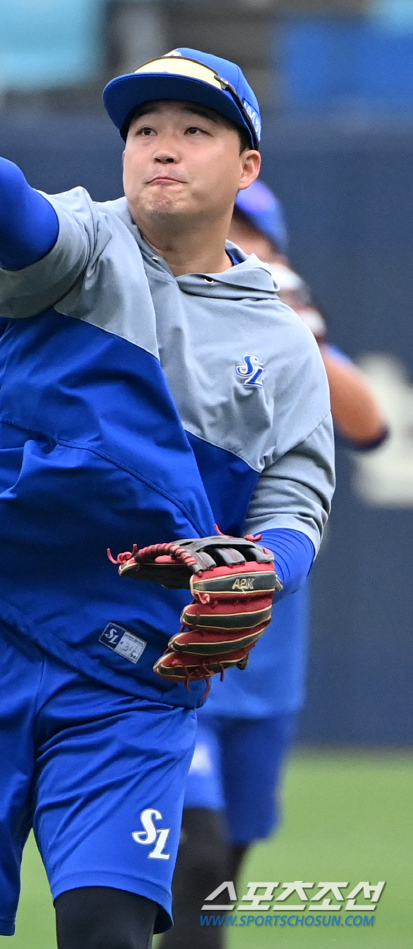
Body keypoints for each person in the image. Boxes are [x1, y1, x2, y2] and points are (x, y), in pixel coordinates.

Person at [0, 49, 335, 949]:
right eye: (145, 130)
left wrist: (263, 565)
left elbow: (297, 499)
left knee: (105, 931)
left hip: (132, 673)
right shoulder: (89, 243)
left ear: (247, 167)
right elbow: (29, 230)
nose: (163, 147)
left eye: (195, 130)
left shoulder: (281, 345)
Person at [160, 179, 388, 949]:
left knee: (222, 871)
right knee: (192, 852)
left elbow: (370, 423)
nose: (241, 246)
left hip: (265, 655)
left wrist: (304, 338)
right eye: (230, 231)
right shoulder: (167, 326)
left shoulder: (296, 341)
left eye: (253, 234)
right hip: (174, 642)